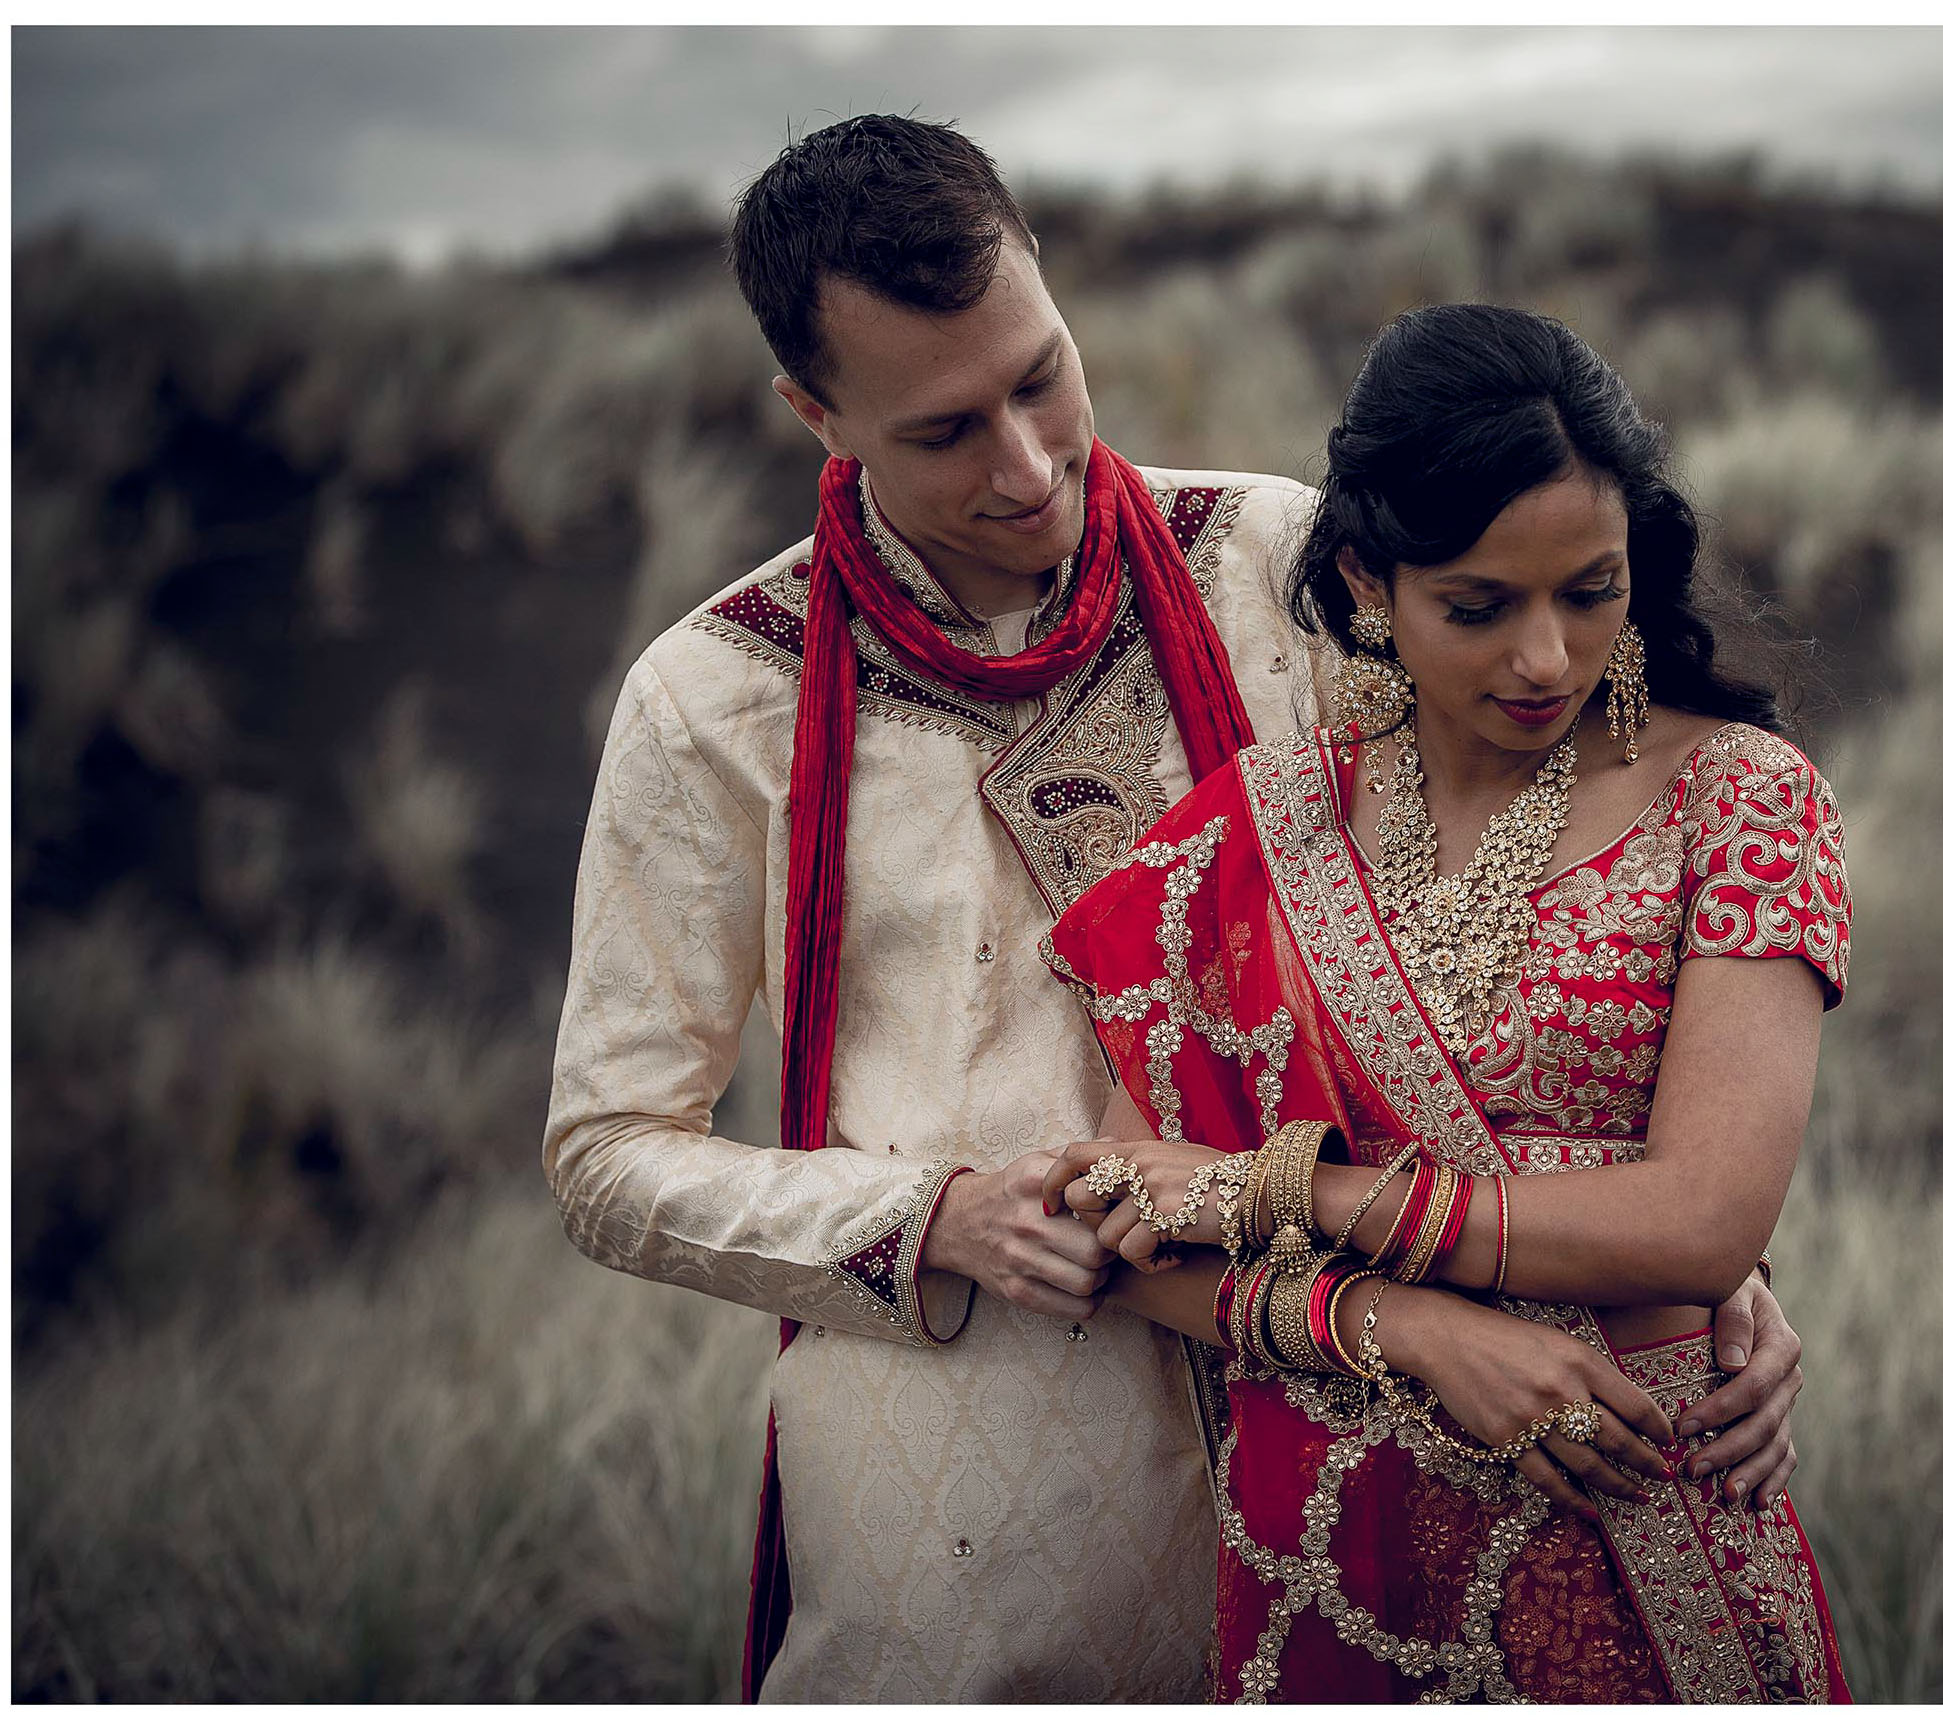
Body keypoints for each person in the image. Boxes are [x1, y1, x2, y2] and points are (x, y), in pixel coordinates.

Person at [543, 117, 1810, 1704]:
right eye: (944, 431)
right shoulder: (716, 699)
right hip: (983, 1489)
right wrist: (921, 1215)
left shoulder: (1271, 560)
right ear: (816, 411)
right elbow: (603, 1157)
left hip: (1383, 1461)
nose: (1024, 464)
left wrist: (1688, 1273)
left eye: (1041, 378)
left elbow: (1506, 924)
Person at [1040, 303, 1851, 1702]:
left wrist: (1296, 1191)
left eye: (1589, 591)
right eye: (1478, 606)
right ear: (1370, 579)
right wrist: (1409, 1332)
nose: (1544, 658)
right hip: (1344, 1570)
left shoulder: (1738, 796)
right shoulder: (1267, 832)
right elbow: (1130, 1217)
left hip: (1651, 1540)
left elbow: (1710, 1214)